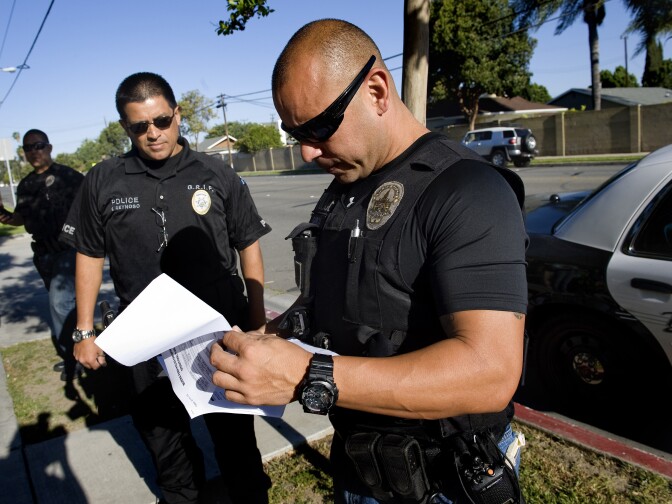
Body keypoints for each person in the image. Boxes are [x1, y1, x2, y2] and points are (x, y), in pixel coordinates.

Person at [210, 19, 529, 504]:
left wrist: (304, 375)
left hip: (446, 478)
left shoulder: (467, 190)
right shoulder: (344, 191)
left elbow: (491, 371)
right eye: (295, 132)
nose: (308, 151)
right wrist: (268, 340)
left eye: (318, 127)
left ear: (377, 90)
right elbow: (335, 302)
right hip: (362, 465)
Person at [59, 72, 272, 504]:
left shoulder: (216, 173)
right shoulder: (103, 180)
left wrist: (256, 322)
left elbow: (248, 243)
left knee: (236, 447)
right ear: (125, 127)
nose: (153, 133)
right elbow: (88, 253)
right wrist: (84, 331)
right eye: (140, 126)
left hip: (217, 336)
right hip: (145, 343)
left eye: (161, 120)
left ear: (177, 114)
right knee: (166, 448)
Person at [0, 130, 82, 382]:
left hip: (68, 249)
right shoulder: (25, 185)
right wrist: (2, 213)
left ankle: (72, 359)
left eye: (39, 145)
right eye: (28, 148)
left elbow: (91, 204)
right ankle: (84, 343)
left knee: (59, 303)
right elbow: (19, 219)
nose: (34, 151)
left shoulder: (68, 176)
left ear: (49, 147)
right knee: (68, 306)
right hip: (43, 254)